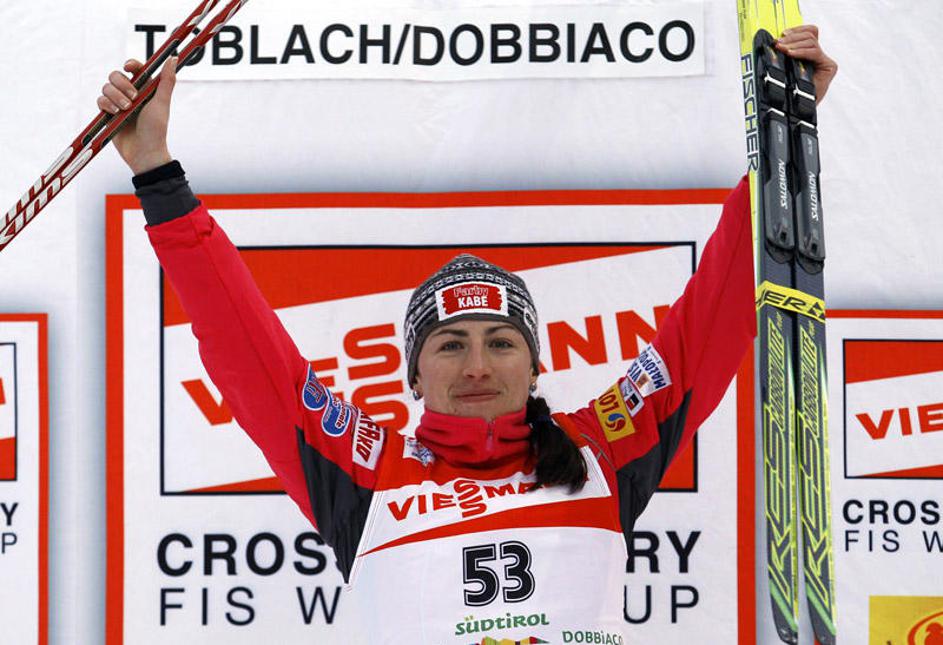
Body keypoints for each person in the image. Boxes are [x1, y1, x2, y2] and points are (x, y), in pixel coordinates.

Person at [100, 26, 836, 643]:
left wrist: (784, 144)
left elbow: (708, 323)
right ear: (413, 374)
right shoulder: (368, 472)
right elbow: (245, 347)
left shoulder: (600, 451)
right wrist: (157, 173)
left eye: (501, 341)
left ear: (537, 364)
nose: (477, 363)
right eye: (450, 344)